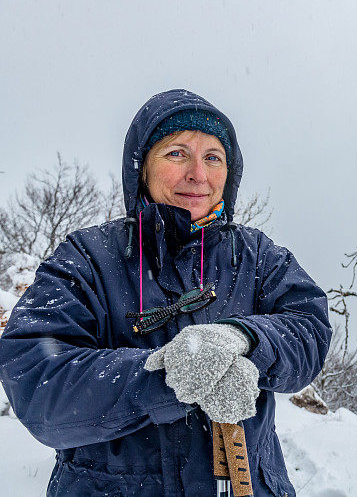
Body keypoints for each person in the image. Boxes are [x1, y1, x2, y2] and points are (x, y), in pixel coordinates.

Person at [0, 89, 331, 496]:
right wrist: (165, 376)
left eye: (213, 157)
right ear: (142, 169)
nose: (198, 173)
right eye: (177, 153)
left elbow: (309, 326)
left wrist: (244, 340)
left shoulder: (256, 255)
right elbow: (36, 380)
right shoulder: (87, 259)